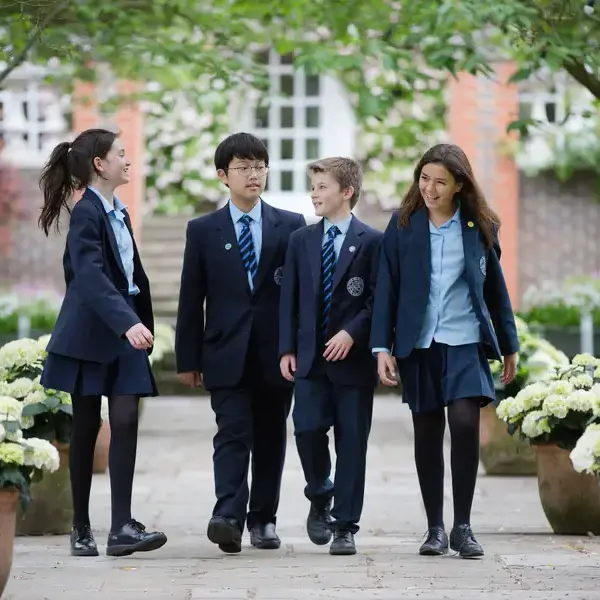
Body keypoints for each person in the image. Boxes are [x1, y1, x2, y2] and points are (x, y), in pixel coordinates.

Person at [370, 144, 519, 559]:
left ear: (459, 184)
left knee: (467, 424)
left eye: (440, 181)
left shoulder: (480, 225)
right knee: (428, 432)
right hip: (420, 344)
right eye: (424, 179)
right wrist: (382, 346)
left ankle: (464, 526)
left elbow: (495, 289)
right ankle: (435, 528)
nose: (429, 188)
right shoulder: (403, 225)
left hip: (465, 339)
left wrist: (509, 345)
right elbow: (387, 289)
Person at [38, 129, 167, 557]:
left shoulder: (118, 211)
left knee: (126, 417)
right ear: (100, 164)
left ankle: (121, 528)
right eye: (121, 155)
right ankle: (80, 527)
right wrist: (125, 322)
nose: (128, 161)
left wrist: (137, 322)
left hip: (123, 329)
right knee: (87, 426)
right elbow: (89, 277)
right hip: (92, 332)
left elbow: (130, 276)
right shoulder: (87, 212)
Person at [175, 132, 306, 554]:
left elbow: (301, 295)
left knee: (271, 435)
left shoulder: (291, 225)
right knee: (231, 432)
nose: (253, 175)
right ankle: (227, 515)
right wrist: (187, 357)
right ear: (222, 175)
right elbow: (191, 298)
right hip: (224, 351)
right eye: (243, 168)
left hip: (276, 353)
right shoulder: (203, 230)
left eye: (260, 166)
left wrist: (298, 347)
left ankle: (263, 520)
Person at [279, 157, 381, 555]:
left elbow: (378, 301)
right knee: (305, 430)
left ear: (346, 192)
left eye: (322, 186)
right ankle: (320, 493)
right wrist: (287, 348)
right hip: (310, 359)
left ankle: (345, 525)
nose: (314, 193)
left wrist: (352, 333)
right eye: (314, 186)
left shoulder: (372, 242)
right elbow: (289, 300)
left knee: (353, 442)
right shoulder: (301, 241)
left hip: (352, 364)